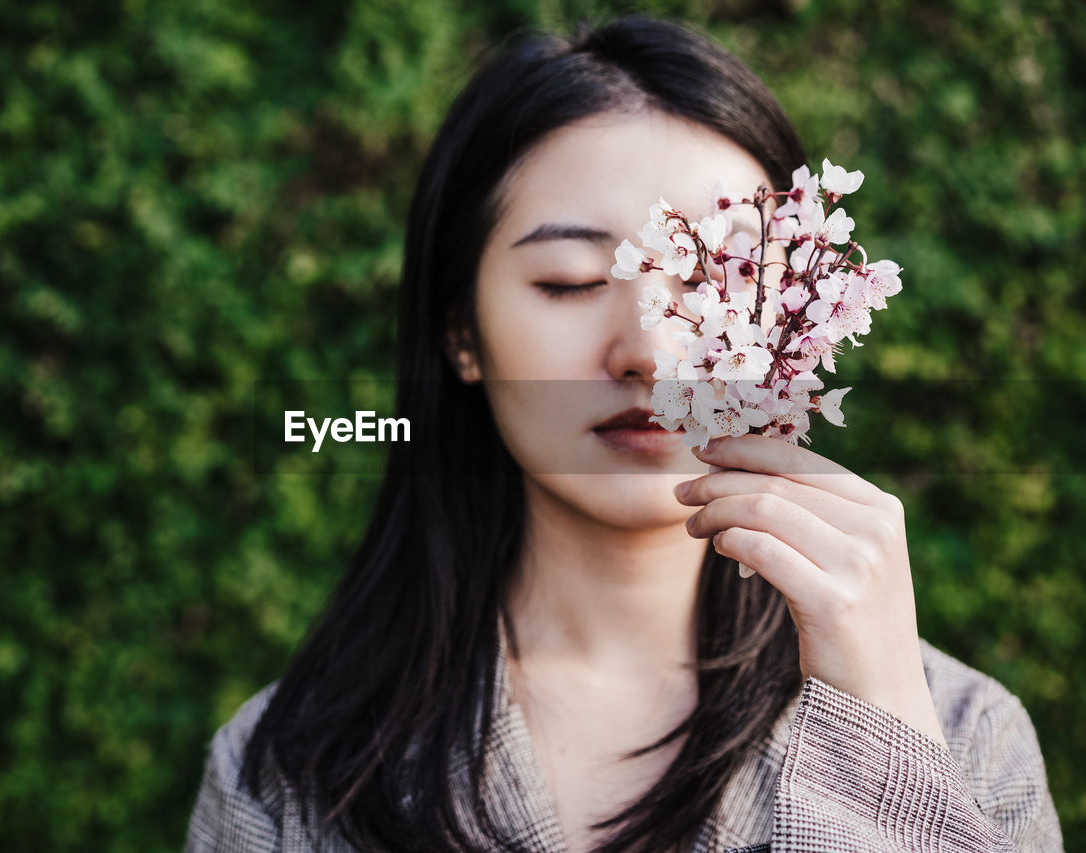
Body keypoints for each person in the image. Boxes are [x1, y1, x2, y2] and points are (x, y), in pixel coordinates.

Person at [186, 15, 1063, 853]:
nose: (648, 350)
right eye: (569, 280)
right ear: (461, 333)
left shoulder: (960, 735)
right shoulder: (289, 770)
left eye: (719, 274)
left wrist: (881, 742)